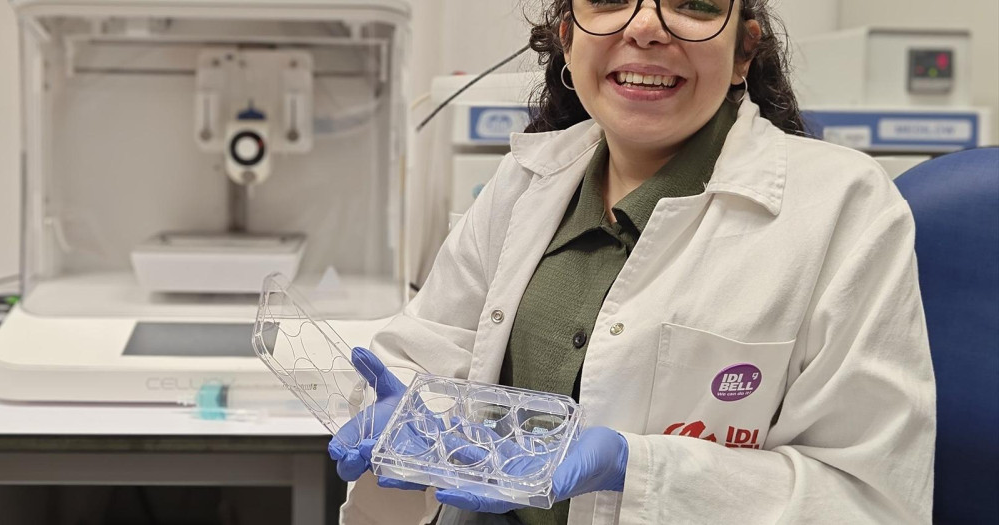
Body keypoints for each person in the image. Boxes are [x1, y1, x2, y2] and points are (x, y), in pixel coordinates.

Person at [329, 0, 936, 523]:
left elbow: (871, 501)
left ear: (744, 51)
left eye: (693, 3)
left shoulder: (843, 207)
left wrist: (636, 469)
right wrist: (401, 410)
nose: (646, 27)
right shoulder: (526, 182)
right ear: (569, 38)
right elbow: (418, 357)